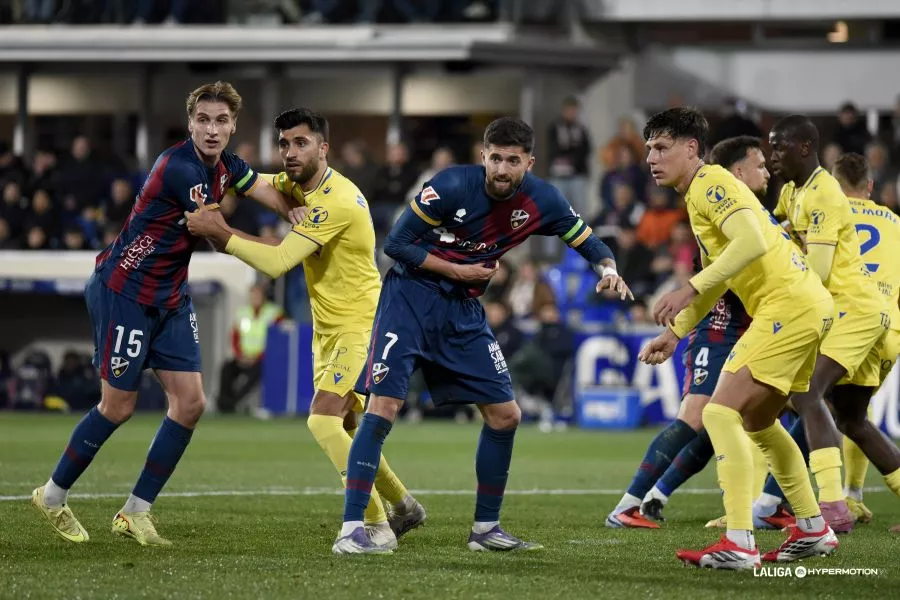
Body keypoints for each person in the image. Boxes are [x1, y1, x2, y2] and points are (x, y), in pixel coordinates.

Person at [331, 116, 633, 554]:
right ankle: (352, 530)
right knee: (383, 407)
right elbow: (395, 244)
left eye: (513, 161)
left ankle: (485, 530)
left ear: (529, 163)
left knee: (506, 415)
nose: (502, 169)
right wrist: (459, 270)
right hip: (410, 300)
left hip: (463, 313)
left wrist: (608, 269)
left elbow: (590, 243)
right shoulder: (451, 185)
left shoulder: (543, 199)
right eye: (495, 159)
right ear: (483, 156)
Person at [29, 81, 300, 547]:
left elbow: (267, 192)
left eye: (221, 121)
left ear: (233, 126)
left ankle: (135, 512)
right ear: (190, 123)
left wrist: (304, 212)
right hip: (125, 291)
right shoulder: (178, 167)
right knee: (118, 407)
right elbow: (214, 232)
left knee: (191, 404)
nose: (212, 129)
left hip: (170, 296)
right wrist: (283, 247)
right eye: (203, 120)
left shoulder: (229, 165)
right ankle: (51, 495)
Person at [185, 108, 423, 551]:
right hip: (328, 329)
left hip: (362, 325)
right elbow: (251, 180)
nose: (290, 152)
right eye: (284, 144)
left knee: (322, 419)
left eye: (301, 143)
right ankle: (403, 505)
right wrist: (213, 159)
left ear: (323, 148)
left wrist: (222, 233)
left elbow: (279, 261)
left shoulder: (337, 200)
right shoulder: (296, 184)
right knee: (347, 426)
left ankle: (375, 526)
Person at [639, 107, 837, 569]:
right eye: (649, 148)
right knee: (759, 422)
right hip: (805, 305)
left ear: (692, 149)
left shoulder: (711, 183)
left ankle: (739, 542)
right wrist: (676, 332)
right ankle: (813, 528)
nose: (651, 158)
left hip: (787, 306)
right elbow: (723, 276)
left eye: (662, 147)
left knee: (719, 412)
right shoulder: (698, 195)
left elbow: (752, 242)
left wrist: (688, 287)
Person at [606, 136, 764, 529]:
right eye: (760, 165)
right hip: (721, 323)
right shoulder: (716, 203)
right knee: (699, 416)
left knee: (746, 418)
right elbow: (717, 277)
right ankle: (630, 502)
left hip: (758, 326)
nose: (767, 172)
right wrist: (678, 328)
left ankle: (661, 495)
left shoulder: (755, 209)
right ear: (738, 171)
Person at [754, 153, 900, 530]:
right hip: (887, 327)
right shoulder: (895, 223)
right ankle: (843, 496)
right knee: (851, 417)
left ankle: (820, 504)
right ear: (869, 186)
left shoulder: (825, 209)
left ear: (833, 183)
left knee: (806, 396)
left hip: (844, 314)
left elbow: (806, 256)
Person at [217, 283, 283, 414]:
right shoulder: (243, 313)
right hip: (243, 357)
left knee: (256, 373)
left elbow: (278, 340)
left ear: (264, 297)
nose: (255, 299)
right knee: (226, 368)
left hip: (262, 359)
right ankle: (224, 402)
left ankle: (235, 402)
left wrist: (258, 357)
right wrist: (240, 355)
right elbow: (235, 336)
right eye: (253, 296)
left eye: (258, 296)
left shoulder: (274, 314)